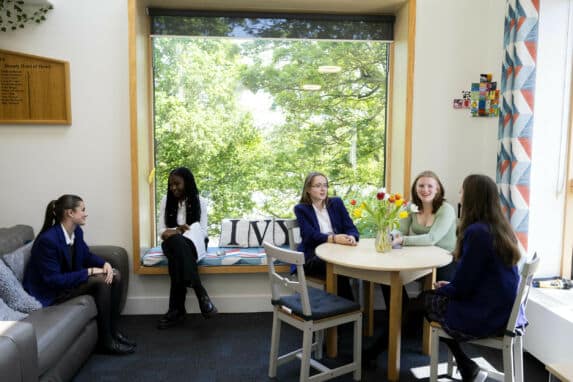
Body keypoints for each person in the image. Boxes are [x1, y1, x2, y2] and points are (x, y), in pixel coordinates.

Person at [422, 174, 523, 382]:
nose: (459, 195)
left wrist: (446, 289)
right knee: (434, 296)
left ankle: (467, 366)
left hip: (490, 313)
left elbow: (463, 287)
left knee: (425, 301)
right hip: (505, 307)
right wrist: (451, 286)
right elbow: (478, 278)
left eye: (462, 191)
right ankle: (466, 365)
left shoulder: (477, 233)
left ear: (472, 197)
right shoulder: (501, 227)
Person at [23, 194, 135, 355]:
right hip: (51, 292)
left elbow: (86, 255)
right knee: (102, 281)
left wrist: (104, 264)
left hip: (67, 281)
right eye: (82, 210)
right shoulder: (48, 241)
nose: (85, 213)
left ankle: (113, 332)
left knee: (114, 274)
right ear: (70, 213)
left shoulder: (77, 232)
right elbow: (53, 280)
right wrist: (90, 271)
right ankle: (106, 341)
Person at [156, 167, 217, 329]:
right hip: (170, 242)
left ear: (187, 183)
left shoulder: (201, 202)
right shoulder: (165, 200)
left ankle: (176, 310)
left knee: (177, 255)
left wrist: (188, 232)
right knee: (176, 242)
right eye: (170, 185)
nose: (173, 188)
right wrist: (177, 231)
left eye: (177, 184)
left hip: (195, 242)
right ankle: (200, 292)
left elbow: (203, 232)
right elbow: (161, 230)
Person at [294, 171, 359, 300]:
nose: (323, 189)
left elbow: (351, 228)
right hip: (313, 256)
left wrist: (352, 237)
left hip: (339, 252)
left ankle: (350, 311)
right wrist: (334, 239)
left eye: (325, 185)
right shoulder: (301, 209)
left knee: (353, 265)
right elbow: (309, 236)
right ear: (308, 189)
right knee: (339, 269)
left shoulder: (336, 203)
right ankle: (348, 312)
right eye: (318, 186)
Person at [393, 170, 457, 281]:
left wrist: (402, 240)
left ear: (437, 189)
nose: (425, 190)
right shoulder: (410, 206)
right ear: (415, 189)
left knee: (438, 293)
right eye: (421, 186)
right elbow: (400, 230)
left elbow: (432, 239)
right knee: (390, 274)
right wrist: (391, 236)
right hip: (421, 256)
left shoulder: (446, 209)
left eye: (430, 186)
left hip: (445, 260)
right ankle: (403, 299)